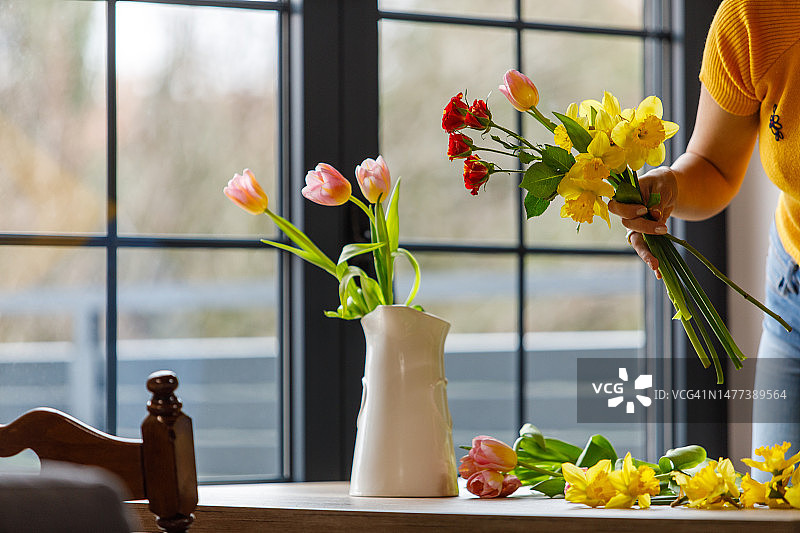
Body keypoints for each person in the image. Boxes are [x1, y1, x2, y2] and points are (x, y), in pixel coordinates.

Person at [607, 0, 800, 480]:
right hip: (794, 294)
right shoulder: (755, 17)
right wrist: (669, 186)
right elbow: (713, 166)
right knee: (776, 500)